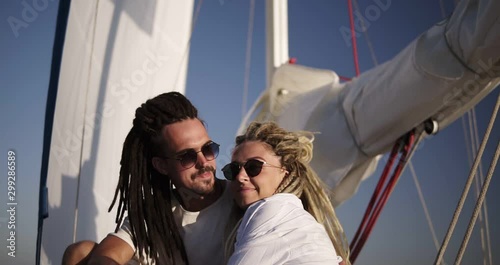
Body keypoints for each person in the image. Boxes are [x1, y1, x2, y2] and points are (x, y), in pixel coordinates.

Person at [62, 92, 233, 265]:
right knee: (80, 253)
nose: (204, 162)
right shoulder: (155, 212)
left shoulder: (240, 199)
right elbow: (105, 256)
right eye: (187, 156)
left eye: (208, 149)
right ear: (162, 166)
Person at [222, 121, 350, 265]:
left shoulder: (272, 209)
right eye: (233, 170)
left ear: (284, 172)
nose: (240, 176)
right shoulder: (293, 217)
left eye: (254, 167)